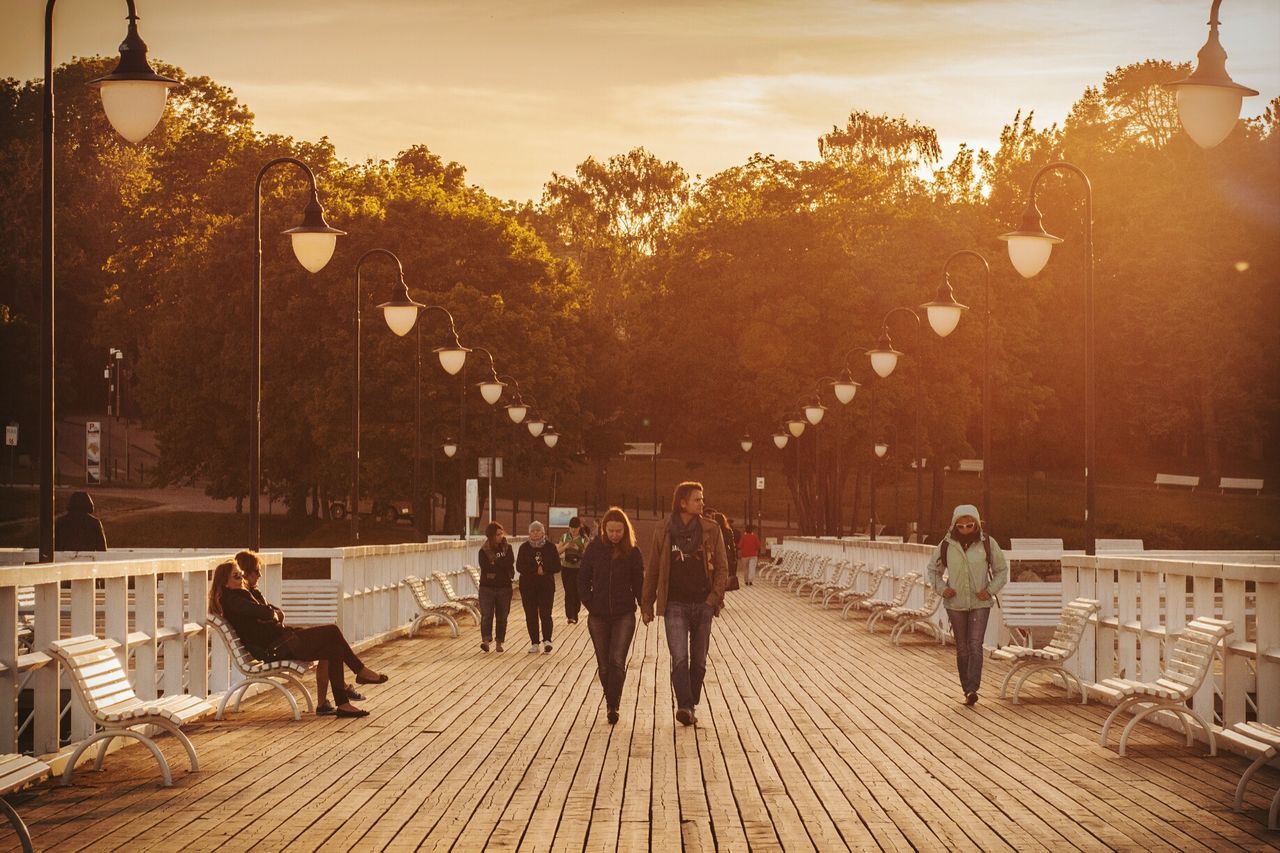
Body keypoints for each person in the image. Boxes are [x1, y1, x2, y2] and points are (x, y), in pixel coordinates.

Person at [209, 552, 388, 719]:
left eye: (241, 574)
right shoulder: (233, 600)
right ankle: (360, 672)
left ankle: (343, 703)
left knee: (333, 648)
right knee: (332, 631)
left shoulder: (244, 595)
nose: (241, 579)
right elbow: (266, 613)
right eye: (236, 576)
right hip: (277, 648)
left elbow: (275, 613)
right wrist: (268, 614)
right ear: (224, 582)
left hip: (283, 641)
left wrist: (269, 613)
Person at [642, 481, 728, 727]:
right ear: (683, 503)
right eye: (697, 499)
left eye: (702, 498)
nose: (702, 503)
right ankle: (685, 706)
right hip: (675, 604)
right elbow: (654, 569)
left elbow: (722, 568)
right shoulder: (664, 529)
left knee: (699, 660)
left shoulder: (711, 529)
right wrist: (647, 603)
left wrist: (713, 599)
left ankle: (689, 703)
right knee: (679, 656)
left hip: (703, 604)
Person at [926, 504, 1009, 706]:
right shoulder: (945, 545)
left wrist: (989, 590)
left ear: (977, 524)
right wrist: (942, 588)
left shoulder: (988, 543)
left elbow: (1001, 570)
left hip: (981, 602)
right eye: (961, 526)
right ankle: (966, 688)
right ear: (954, 525)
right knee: (962, 647)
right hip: (955, 603)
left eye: (969, 525)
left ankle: (973, 688)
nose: (965, 529)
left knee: (975, 645)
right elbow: (933, 570)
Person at [578, 506, 644, 725]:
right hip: (598, 615)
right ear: (604, 529)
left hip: (623, 613)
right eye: (611, 531)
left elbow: (639, 583)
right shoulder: (594, 549)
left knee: (617, 660)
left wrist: (645, 606)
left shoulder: (632, 552)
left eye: (619, 531)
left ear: (625, 530)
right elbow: (582, 578)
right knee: (604, 664)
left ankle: (612, 705)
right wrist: (589, 601)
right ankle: (611, 697)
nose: (615, 535)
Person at [516, 521, 561, 653]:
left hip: (546, 586)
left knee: (546, 614)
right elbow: (520, 566)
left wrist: (545, 569)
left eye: (538, 531)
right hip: (528, 586)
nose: (535, 533)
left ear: (543, 532)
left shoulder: (550, 547)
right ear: (529, 533)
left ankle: (547, 639)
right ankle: (534, 642)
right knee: (531, 614)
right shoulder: (524, 547)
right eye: (533, 531)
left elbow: (557, 566)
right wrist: (535, 570)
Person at [477, 521, 515, 652]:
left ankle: (499, 642)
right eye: (498, 534)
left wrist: (496, 562)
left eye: (501, 533)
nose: (501, 536)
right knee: (487, 615)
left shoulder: (508, 548)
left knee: (502, 615)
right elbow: (486, 567)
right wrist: (500, 564)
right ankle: (486, 640)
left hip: (504, 586)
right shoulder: (484, 550)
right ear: (491, 536)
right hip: (487, 587)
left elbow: (509, 563)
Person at [556, 516, 589, 624]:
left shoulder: (584, 538)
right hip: (567, 568)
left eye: (575, 528)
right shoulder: (564, 537)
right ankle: (570, 615)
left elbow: (588, 555)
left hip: (579, 568)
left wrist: (578, 549)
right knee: (569, 591)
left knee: (577, 592)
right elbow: (557, 552)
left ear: (579, 527)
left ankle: (576, 611)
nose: (573, 530)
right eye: (571, 527)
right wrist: (565, 547)